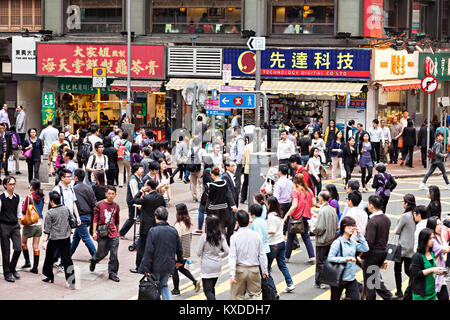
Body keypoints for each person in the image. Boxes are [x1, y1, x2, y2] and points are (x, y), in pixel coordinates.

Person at [138, 206, 184, 300]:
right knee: (164, 285)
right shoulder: (173, 230)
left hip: (156, 265)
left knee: (154, 287)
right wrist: (180, 260)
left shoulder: (153, 231)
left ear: (155, 218)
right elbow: (179, 248)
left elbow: (149, 251)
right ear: (167, 218)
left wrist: (145, 267)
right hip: (169, 265)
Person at [229, 210, 269, 300]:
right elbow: (262, 254)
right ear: (248, 221)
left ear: (237, 222)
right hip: (254, 269)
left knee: (237, 296)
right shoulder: (256, 235)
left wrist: (232, 274)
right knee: (255, 295)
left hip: (239, 270)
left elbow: (232, 256)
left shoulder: (234, 237)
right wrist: (264, 270)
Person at [327, 216, 369, 300]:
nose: (351, 228)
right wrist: (345, 259)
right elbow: (330, 258)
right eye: (349, 226)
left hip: (351, 278)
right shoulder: (337, 243)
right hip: (339, 278)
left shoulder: (352, 242)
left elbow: (365, 248)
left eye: (353, 226)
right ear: (343, 227)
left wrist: (360, 235)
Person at [361, 195, 394, 300]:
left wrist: (363, 255)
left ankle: (385, 296)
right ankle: (388, 296)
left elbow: (369, 242)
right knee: (373, 279)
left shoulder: (372, 221)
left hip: (372, 255)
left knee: (369, 283)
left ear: (371, 206)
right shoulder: (386, 219)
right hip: (382, 253)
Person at [41, 191, 76, 288]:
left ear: (52, 201)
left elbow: (47, 230)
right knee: (67, 259)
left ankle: (49, 276)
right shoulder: (66, 209)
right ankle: (71, 282)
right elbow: (72, 219)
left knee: (49, 259)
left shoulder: (50, 213)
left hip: (54, 239)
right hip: (65, 238)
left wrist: (44, 241)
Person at [131, 177, 165, 273]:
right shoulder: (160, 197)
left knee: (141, 247)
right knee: (155, 247)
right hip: (156, 224)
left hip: (145, 226)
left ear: (148, 187)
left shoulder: (146, 197)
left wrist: (141, 190)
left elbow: (135, 199)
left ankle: (139, 267)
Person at [89, 186, 121, 282]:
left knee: (114, 254)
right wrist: (94, 232)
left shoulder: (116, 206)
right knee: (102, 253)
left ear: (115, 195)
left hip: (113, 233)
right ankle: (94, 260)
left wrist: (118, 232)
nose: (111, 195)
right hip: (102, 232)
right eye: (109, 193)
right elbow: (95, 219)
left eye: (113, 194)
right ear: (106, 194)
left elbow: (117, 220)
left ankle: (113, 273)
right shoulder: (99, 205)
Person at [283, 173, 316, 264]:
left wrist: (286, 215)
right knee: (306, 236)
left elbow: (294, 205)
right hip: (306, 216)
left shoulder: (296, 191)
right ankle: (312, 257)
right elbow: (314, 203)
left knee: (290, 236)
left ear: (295, 181)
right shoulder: (309, 191)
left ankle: (286, 257)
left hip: (296, 217)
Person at [196, 215, 229, 300]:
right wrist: (220, 256)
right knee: (212, 288)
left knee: (207, 291)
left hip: (206, 266)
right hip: (217, 265)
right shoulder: (221, 236)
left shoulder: (204, 237)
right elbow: (227, 251)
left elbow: (198, 252)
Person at [249, 203, 278, 298]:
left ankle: (271, 292)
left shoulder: (255, 223)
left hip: (260, 251)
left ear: (252, 213)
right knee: (265, 272)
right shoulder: (263, 221)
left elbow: (258, 238)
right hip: (267, 248)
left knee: (262, 273)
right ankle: (272, 291)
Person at [266, 196, 295, 292]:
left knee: (266, 268)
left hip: (273, 244)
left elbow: (272, 231)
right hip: (281, 242)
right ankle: (290, 283)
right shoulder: (280, 214)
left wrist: (264, 233)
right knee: (282, 265)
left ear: (270, 205)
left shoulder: (270, 216)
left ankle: (272, 290)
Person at [171, 203, 201, 295]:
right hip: (186, 250)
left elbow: (176, 241)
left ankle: (176, 289)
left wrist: (176, 255)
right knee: (181, 268)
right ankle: (195, 281)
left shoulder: (179, 225)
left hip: (179, 252)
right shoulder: (189, 223)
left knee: (174, 269)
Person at [311, 190, 339, 289]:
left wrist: (312, 228)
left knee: (320, 262)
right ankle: (327, 279)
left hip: (322, 240)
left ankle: (320, 281)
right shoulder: (332, 209)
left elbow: (320, 228)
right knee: (327, 260)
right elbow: (337, 226)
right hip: (331, 239)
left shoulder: (322, 211)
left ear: (321, 198)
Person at [410, 228, 446, 300]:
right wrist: (432, 269)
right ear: (424, 239)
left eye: (433, 238)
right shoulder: (417, 256)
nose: (433, 240)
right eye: (430, 238)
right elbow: (416, 273)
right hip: (421, 295)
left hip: (432, 292)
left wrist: (438, 271)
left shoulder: (432, 253)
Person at [393, 193, 416, 300]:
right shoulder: (415, 215)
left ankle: (399, 291)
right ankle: (414, 285)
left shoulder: (404, 216)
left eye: (403, 202)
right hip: (411, 248)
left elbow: (396, 231)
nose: (403, 204)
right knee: (408, 269)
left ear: (406, 203)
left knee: (397, 270)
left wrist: (399, 221)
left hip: (401, 248)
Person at [70, 169, 97, 259]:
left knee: (85, 238)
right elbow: (94, 203)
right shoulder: (89, 188)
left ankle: (95, 256)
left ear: (76, 177)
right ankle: (67, 255)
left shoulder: (74, 189)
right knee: (76, 238)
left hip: (80, 217)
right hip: (88, 216)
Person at [205, 166, 237, 242]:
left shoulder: (212, 185)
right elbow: (228, 194)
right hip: (224, 208)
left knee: (214, 226)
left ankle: (216, 241)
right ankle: (224, 242)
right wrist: (233, 205)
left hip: (214, 209)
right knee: (222, 226)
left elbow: (210, 197)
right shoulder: (224, 183)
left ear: (212, 174)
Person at [19, 179, 44, 274]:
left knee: (23, 243)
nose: (29, 187)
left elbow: (24, 211)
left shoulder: (29, 197)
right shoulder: (41, 196)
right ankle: (35, 267)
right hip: (39, 224)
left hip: (30, 224)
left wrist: (22, 204)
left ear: (32, 187)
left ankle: (27, 262)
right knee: (36, 246)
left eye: (30, 185)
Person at [426, 217, 450, 300]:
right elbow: (446, 249)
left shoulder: (437, 237)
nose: (440, 227)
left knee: (444, 297)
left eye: (441, 224)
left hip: (439, 273)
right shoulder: (433, 241)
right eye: (438, 225)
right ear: (432, 226)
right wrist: (442, 236)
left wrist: (441, 235)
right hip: (433, 275)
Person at [119, 163, 144, 239]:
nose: (142, 170)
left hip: (136, 201)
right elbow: (135, 194)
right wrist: (138, 203)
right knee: (132, 218)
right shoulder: (133, 179)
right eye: (141, 168)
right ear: (136, 170)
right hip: (133, 202)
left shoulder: (138, 177)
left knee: (137, 218)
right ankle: (121, 233)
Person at [222, 161, 240, 243]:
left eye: (234, 166)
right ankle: (228, 240)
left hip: (234, 202)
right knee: (230, 222)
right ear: (227, 167)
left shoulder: (233, 175)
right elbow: (228, 191)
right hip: (229, 204)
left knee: (232, 222)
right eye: (232, 166)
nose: (234, 167)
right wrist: (233, 204)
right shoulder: (225, 176)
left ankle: (229, 239)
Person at [187, 137, 205, 203]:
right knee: (201, 183)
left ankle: (194, 197)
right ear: (199, 142)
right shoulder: (202, 150)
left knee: (193, 184)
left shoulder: (190, 150)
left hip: (191, 169)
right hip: (199, 169)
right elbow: (205, 159)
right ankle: (201, 197)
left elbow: (188, 158)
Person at [230, 127, 245, 192]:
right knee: (235, 177)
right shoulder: (236, 140)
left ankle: (236, 191)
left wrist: (237, 162)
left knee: (236, 178)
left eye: (233, 131)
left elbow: (240, 152)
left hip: (237, 162)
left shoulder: (240, 140)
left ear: (236, 132)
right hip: (235, 161)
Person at [240, 137, 253, 204]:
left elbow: (243, 159)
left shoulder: (246, 147)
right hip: (255, 169)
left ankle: (242, 198)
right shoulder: (260, 146)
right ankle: (252, 199)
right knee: (253, 184)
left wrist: (243, 165)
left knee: (245, 184)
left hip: (247, 168)